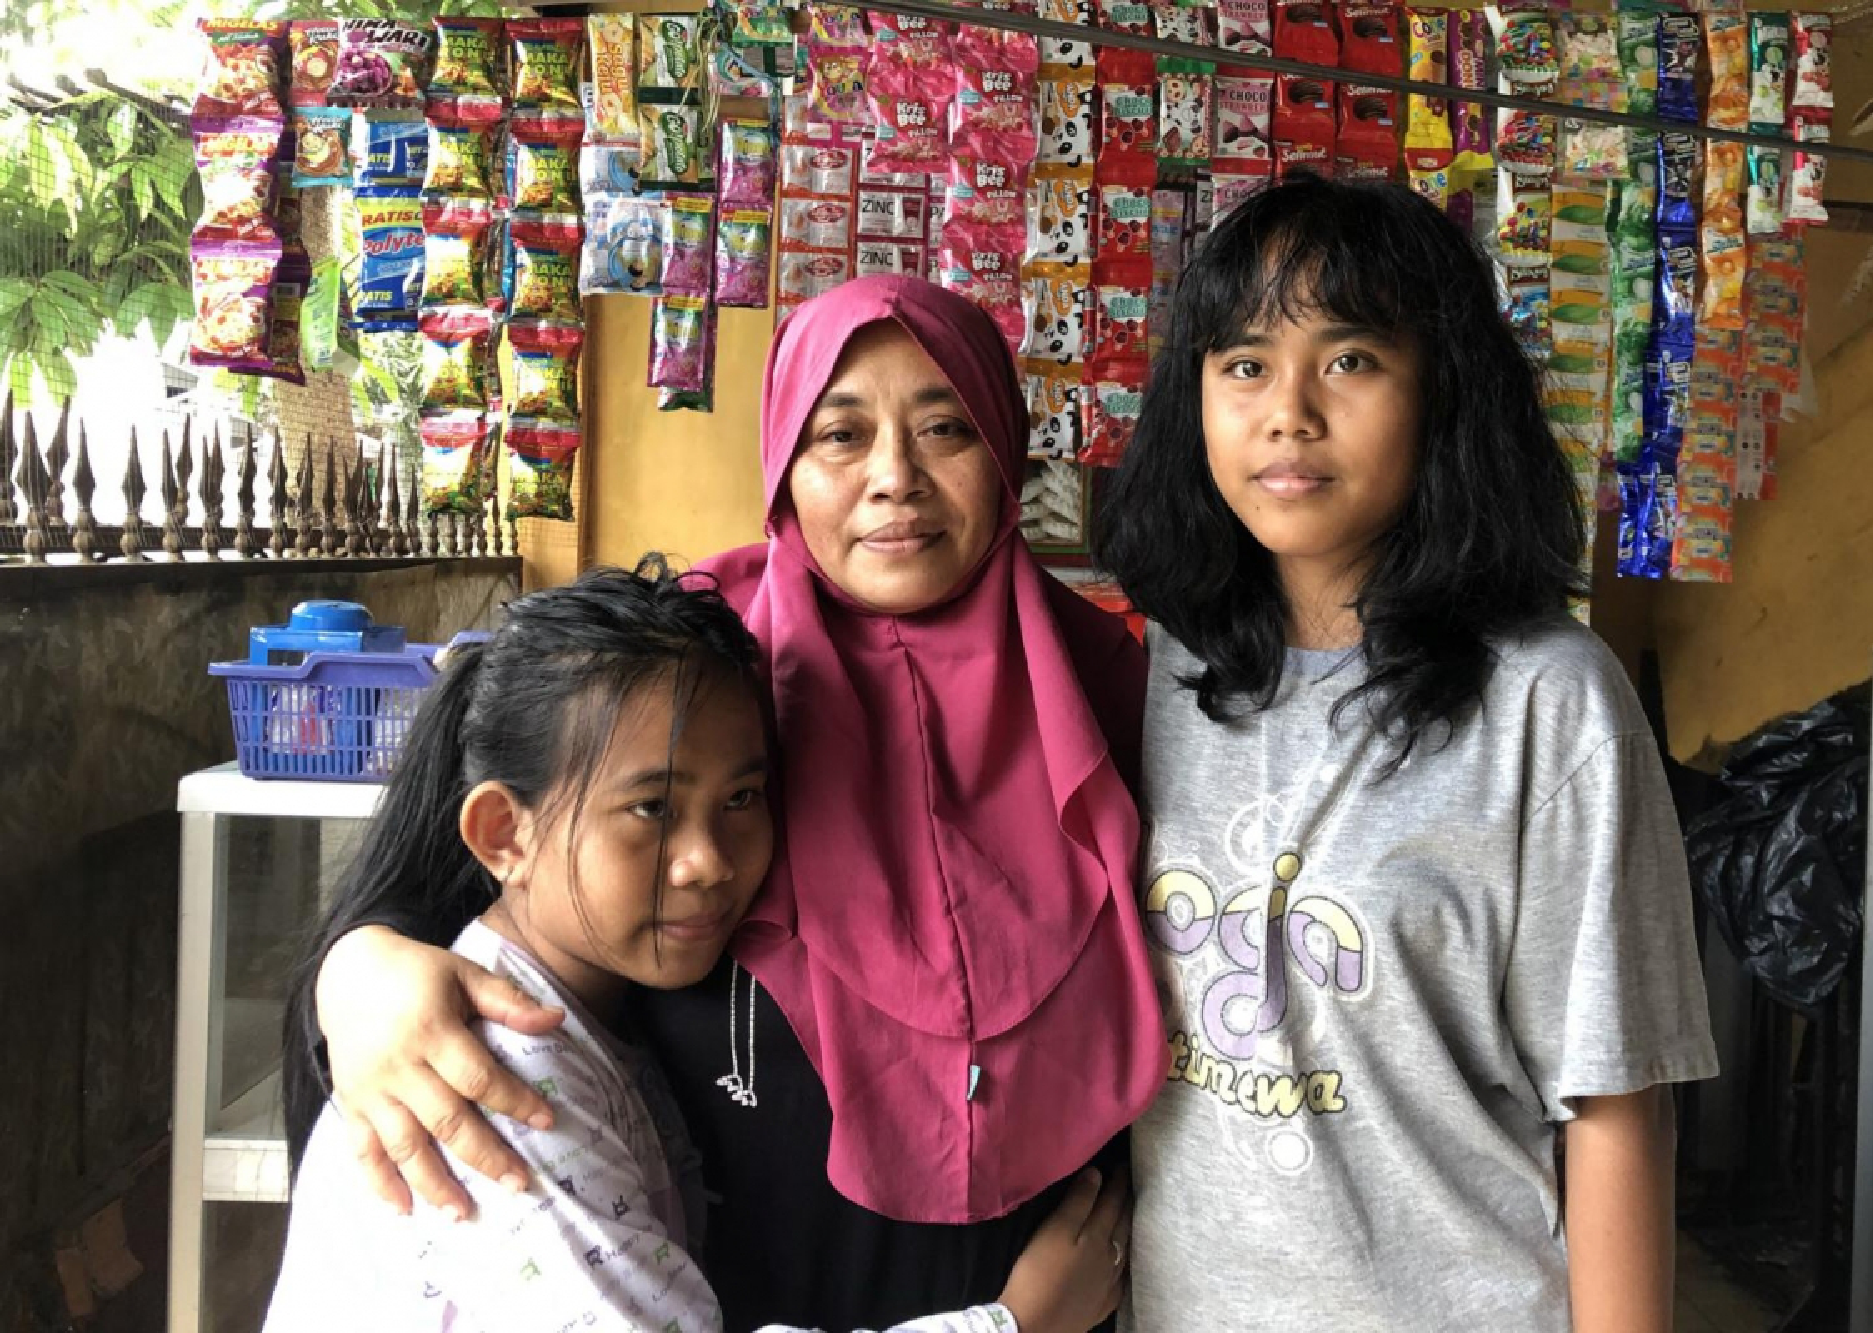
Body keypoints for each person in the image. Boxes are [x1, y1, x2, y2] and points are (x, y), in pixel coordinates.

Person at [305, 277, 1164, 1328]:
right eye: (838, 435)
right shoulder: (699, 660)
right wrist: (358, 969)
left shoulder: (1113, 692)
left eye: (945, 427)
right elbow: (494, 835)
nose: (893, 478)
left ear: (1005, 454)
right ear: (782, 468)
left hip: (1064, 1285)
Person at [1095, 175, 1718, 1333]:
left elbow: (1616, 1108)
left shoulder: (1549, 703)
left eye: (1348, 360)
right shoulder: (1151, 676)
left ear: (1441, 393)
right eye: (1242, 364)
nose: (1287, 411)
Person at [268, 561, 1129, 1333]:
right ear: (503, 833)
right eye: (652, 808)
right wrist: (1020, 1324)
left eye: (743, 796)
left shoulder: (598, 1007)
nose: (709, 861)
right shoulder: (497, 1077)